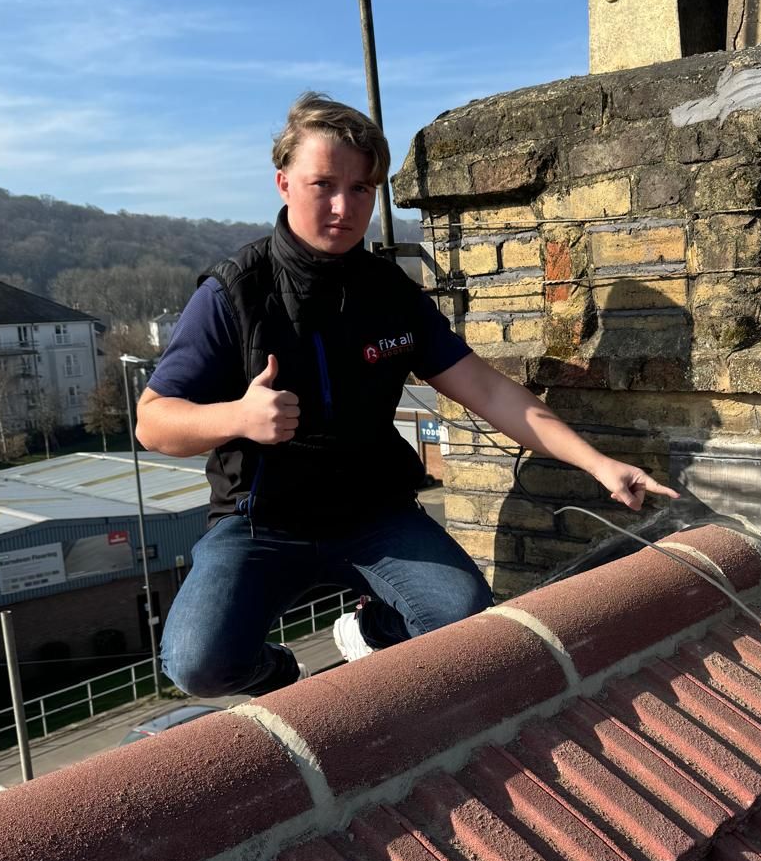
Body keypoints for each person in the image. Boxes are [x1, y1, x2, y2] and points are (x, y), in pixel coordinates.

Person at [137, 92, 677, 697]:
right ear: (284, 182)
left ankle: (374, 633)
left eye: (362, 189)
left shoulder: (388, 291)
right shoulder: (233, 292)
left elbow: (490, 392)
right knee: (196, 664)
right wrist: (237, 416)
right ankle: (281, 673)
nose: (345, 208)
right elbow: (153, 423)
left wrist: (599, 464)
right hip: (263, 522)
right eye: (324, 185)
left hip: (374, 514)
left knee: (463, 623)